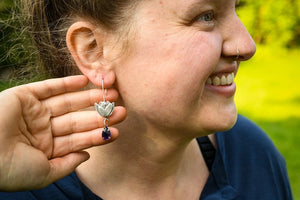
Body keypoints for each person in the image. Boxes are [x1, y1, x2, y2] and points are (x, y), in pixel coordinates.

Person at [0, 0, 293, 199]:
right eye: (206, 16)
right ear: (94, 50)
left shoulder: (253, 156)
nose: (246, 44)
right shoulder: (13, 183)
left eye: (235, 7)